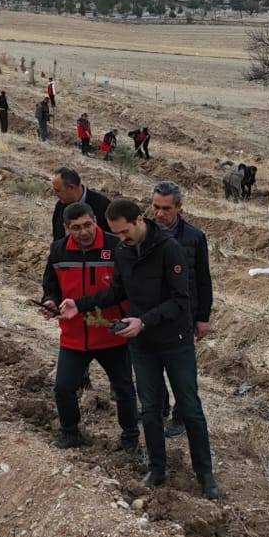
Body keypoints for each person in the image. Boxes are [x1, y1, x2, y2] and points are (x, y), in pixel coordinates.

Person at [57, 199, 220, 500]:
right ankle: (157, 468)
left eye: (124, 232)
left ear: (139, 220)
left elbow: (180, 299)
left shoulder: (171, 249)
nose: (121, 238)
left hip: (175, 341)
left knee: (190, 408)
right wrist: (78, 305)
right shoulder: (123, 251)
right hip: (142, 345)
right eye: (116, 234)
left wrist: (144, 321)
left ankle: (205, 474)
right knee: (149, 409)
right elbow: (117, 291)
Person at [41, 202, 141, 456]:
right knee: (63, 387)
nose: (83, 232)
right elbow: (51, 285)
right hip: (74, 335)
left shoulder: (116, 247)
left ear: (96, 220)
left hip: (111, 333)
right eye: (76, 228)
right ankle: (70, 432)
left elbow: (121, 290)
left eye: (88, 225)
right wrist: (50, 301)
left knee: (124, 390)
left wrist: (83, 306)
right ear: (66, 228)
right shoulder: (59, 251)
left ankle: (130, 438)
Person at [150, 181, 213, 439]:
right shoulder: (146, 232)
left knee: (182, 371)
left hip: (183, 315)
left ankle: (181, 416)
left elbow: (203, 279)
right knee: (152, 364)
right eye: (155, 207)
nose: (159, 214)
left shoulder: (194, 238)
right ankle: (160, 404)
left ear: (179, 207)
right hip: (152, 312)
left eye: (166, 208)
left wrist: (203, 318)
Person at [50, 166, 112, 239]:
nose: (55, 194)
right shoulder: (60, 206)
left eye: (58, 190)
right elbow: (57, 240)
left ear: (71, 188)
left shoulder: (102, 205)